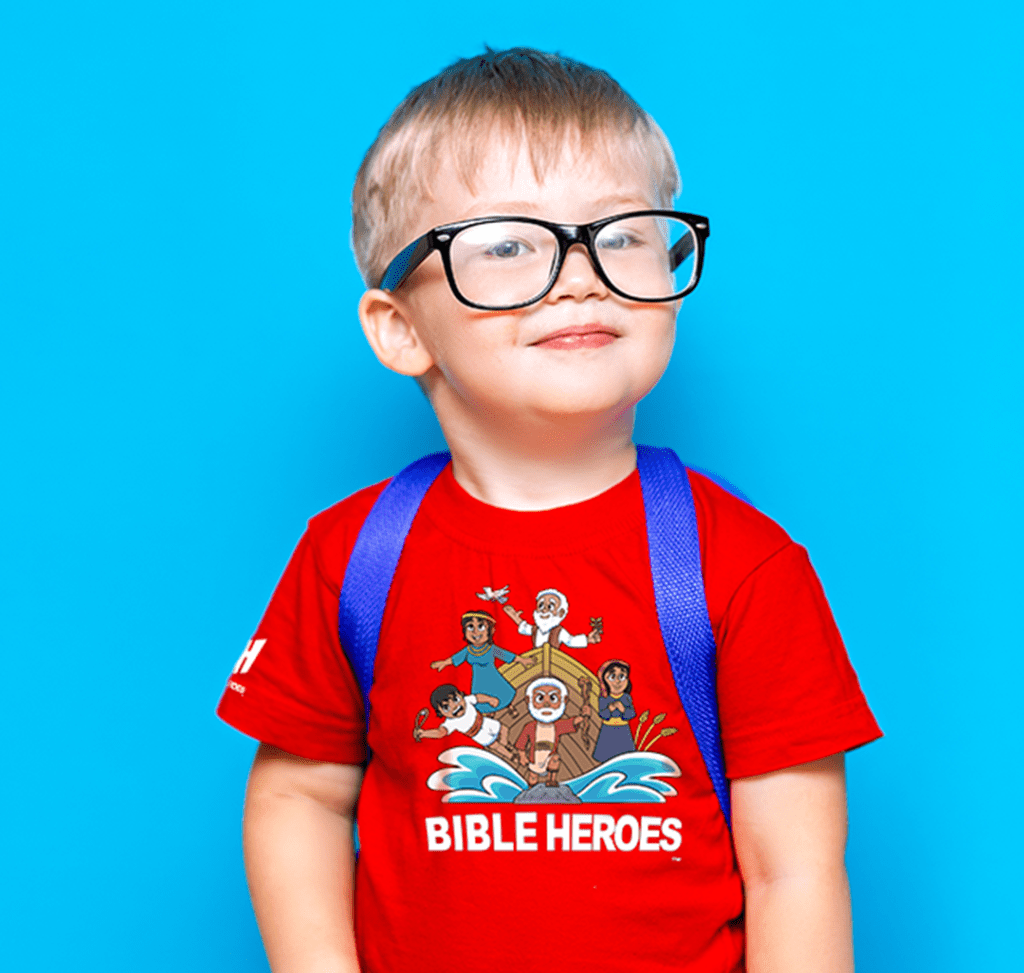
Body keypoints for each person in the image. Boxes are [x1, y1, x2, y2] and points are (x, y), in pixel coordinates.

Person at [218, 48, 881, 973]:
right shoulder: (353, 557)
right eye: (506, 243)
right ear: (401, 329)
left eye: (619, 235)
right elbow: (299, 801)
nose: (580, 274)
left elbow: (795, 873)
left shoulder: (744, 564)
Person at [429, 609, 518, 711]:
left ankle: (510, 707)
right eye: (470, 626)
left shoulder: (490, 648)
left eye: (481, 626)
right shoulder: (468, 650)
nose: (476, 631)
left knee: (503, 695)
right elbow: (456, 658)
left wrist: (523, 660)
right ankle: (490, 715)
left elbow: (507, 655)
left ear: (490, 630)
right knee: (481, 701)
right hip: (479, 681)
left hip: (494, 678)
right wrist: (444, 663)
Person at [593, 658, 637, 761]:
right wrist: (610, 709)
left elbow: (631, 714)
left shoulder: (626, 698)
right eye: (612, 677)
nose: (617, 681)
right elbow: (603, 715)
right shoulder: (604, 699)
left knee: (625, 757)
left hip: (623, 730)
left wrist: (623, 710)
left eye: (621, 677)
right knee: (606, 758)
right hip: (608, 730)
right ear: (604, 680)